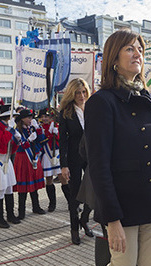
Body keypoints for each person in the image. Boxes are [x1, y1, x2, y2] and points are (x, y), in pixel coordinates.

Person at [85, 28, 151, 266]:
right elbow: (99, 165)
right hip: (123, 205)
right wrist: (112, 220)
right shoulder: (102, 102)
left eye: (140, 49)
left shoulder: (146, 99)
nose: (138, 54)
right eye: (130, 49)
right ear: (114, 58)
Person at [59, 78, 94, 245]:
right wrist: (63, 165)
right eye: (78, 93)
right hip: (73, 157)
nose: (81, 95)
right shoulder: (66, 112)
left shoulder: (93, 107)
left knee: (94, 190)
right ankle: (74, 229)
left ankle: (84, 219)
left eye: (84, 92)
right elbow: (62, 141)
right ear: (72, 94)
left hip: (92, 156)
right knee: (74, 195)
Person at [0, 105, 21, 228]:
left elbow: (11, 150)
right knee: (0, 190)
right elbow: (3, 141)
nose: (14, 120)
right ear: (7, 117)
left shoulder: (8, 128)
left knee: (9, 189)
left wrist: (17, 140)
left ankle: (10, 215)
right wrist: (10, 130)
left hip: (6, 161)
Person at [13, 109, 48, 220]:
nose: (30, 119)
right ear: (22, 119)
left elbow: (42, 141)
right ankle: (21, 211)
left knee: (34, 184)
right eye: (28, 117)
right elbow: (20, 145)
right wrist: (28, 139)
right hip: (23, 157)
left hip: (33, 157)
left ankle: (36, 207)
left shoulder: (32, 128)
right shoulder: (17, 130)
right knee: (23, 185)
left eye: (31, 117)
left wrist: (38, 130)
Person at [38, 108, 70, 212]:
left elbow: (63, 139)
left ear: (51, 117)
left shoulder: (56, 126)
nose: (44, 118)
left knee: (63, 178)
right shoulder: (40, 128)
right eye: (42, 117)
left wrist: (57, 133)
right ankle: (52, 203)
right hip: (47, 155)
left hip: (56, 154)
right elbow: (40, 141)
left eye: (46, 116)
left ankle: (71, 202)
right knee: (49, 179)